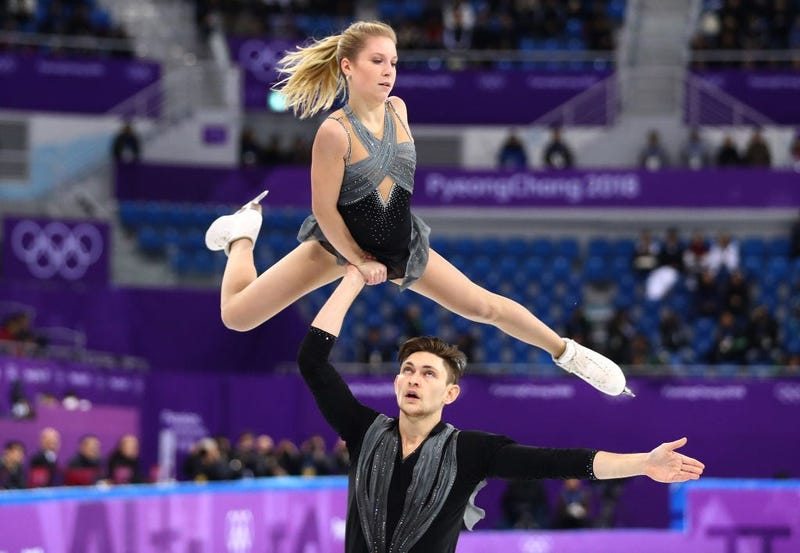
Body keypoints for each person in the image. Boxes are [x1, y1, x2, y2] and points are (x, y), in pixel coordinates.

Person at [204, 20, 630, 397]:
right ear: (348, 67)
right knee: (238, 317)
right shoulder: (333, 132)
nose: (389, 71)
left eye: (393, 61)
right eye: (377, 61)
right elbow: (325, 211)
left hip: (401, 245)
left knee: (484, 307)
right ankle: (241, 234)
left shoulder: (399, 109)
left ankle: (570, 354)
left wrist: (381, 259)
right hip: (340, 245)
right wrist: (356, 260)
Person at [296, 264, 705, 552]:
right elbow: (313, 362)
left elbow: (559, 462)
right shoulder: (364, 430)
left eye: (429, 373)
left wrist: (643, 463)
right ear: (397, 382)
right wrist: (352, 278)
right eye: (408, 370)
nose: (416, 379)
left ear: (450, 394)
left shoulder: (470, 452)